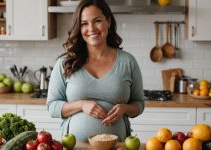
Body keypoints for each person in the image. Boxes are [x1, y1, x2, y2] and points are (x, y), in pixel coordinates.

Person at [47, 0, 144, 142]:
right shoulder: (65, 63)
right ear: (79, 28)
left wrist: (124, 108)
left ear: (108, 22)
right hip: (75, 147)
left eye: (97, 21)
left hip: (117, 146)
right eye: (84, 23)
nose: (91, 28)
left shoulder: (128, 62)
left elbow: (139, 104)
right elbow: (52, 107)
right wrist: (81, 105)